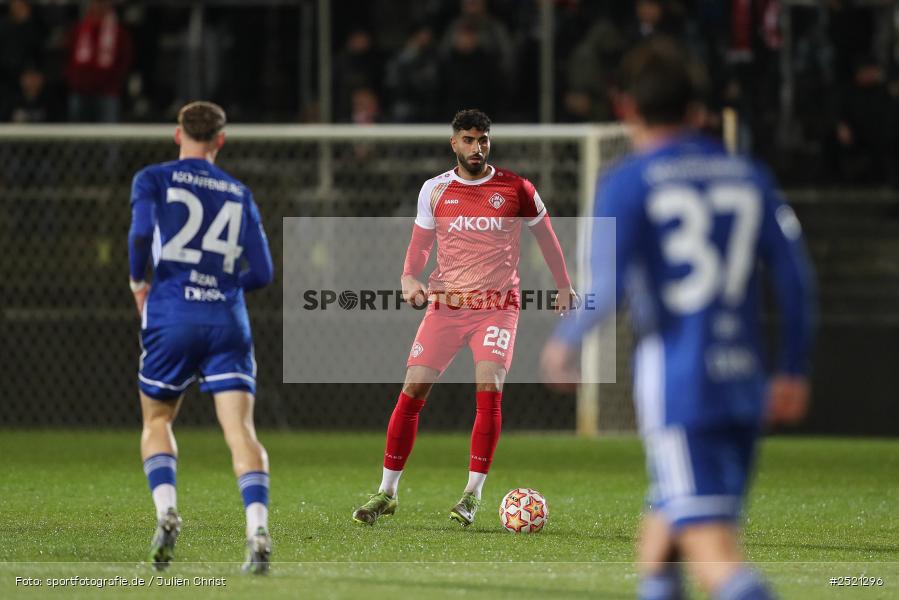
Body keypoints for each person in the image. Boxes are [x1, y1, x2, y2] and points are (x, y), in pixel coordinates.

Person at [541, 38, 814, 599]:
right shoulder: (749, 175)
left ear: (626, 108)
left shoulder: (629, 180)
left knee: (717, 560)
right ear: (698, 111)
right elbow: (795, 281)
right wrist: (793, 368)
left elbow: (609, 284)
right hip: (744, 384)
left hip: (682, 386)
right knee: (659, 546)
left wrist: (564, 342)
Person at [352, 109, 578, 527]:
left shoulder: (516, 188)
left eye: (484, 140)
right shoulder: (434, 190)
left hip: (497, 306)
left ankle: (471, 495)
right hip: (446, 306)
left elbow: (546, 237)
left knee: (488, 387)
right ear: (454, 143)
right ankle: (386, 492)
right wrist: (408, 276)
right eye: (469, 140)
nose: (477, 148)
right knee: (412, 390)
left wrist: (564, 284)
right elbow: (420, 245)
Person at [128, 101, 274, 573]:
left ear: (178, 134)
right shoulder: (239, 192)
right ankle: (256, 531)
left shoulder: (152, 178)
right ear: (221, 140)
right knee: (240, 432)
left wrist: (138, 284)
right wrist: (225, 287)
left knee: (157, 421)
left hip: (171, 313)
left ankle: (167, 511)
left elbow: (139, 235)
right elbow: (264, 271)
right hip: (226, 321)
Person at [66, 0, 132, 122]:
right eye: (95, 3)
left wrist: (115, 84)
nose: (98, 7)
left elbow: (124, 61)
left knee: (109, 136)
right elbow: (68, 56)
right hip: (80, 91)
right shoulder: (79, 29)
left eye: (102, 4)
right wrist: (74, 80)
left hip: (108, 93)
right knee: (77, 135)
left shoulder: (118, 32)